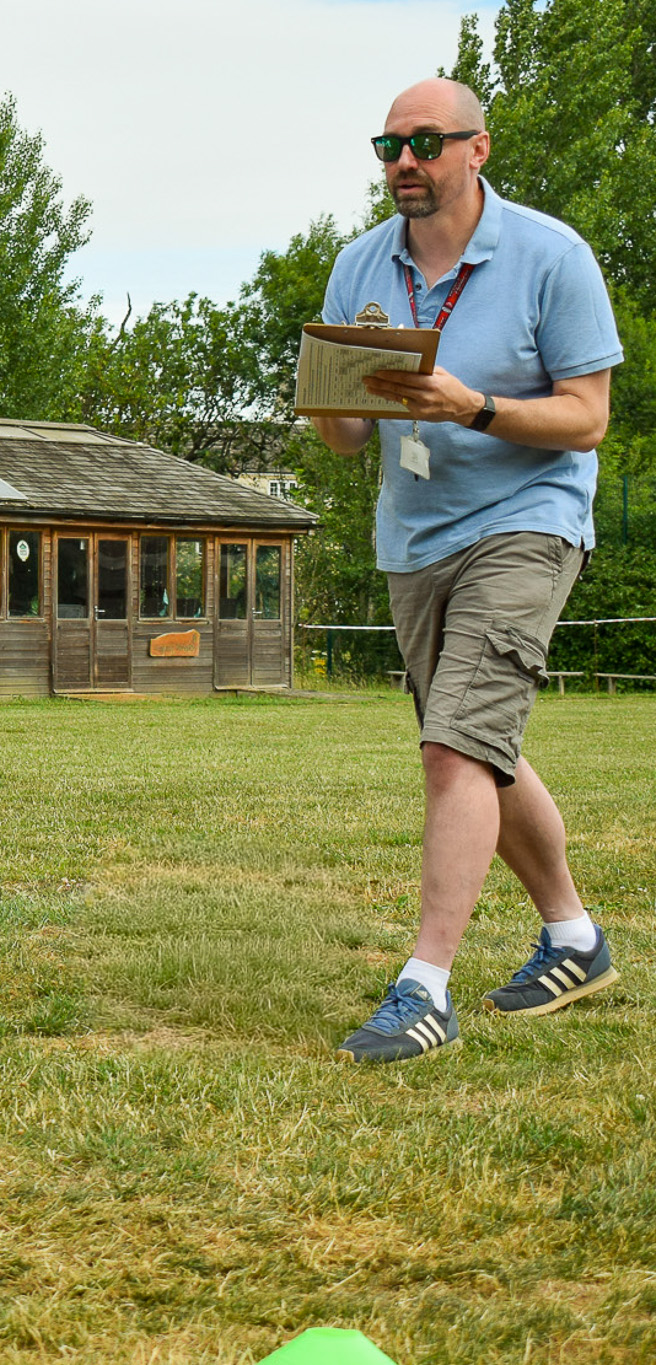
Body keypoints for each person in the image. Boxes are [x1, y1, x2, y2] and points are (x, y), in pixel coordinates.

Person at [310, 78, 623, 1064]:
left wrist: (471, 408)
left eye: (424, 142)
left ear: (475, 149)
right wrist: (338, 392)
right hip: (413, 538)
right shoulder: (357, 266)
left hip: (526, 523)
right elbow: (338, 437)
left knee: (452, 749)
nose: (403, 160)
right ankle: (574, 937)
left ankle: (423, 989)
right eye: (387, 145)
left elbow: (585, 416)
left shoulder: (548, 256)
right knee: (477, 744)